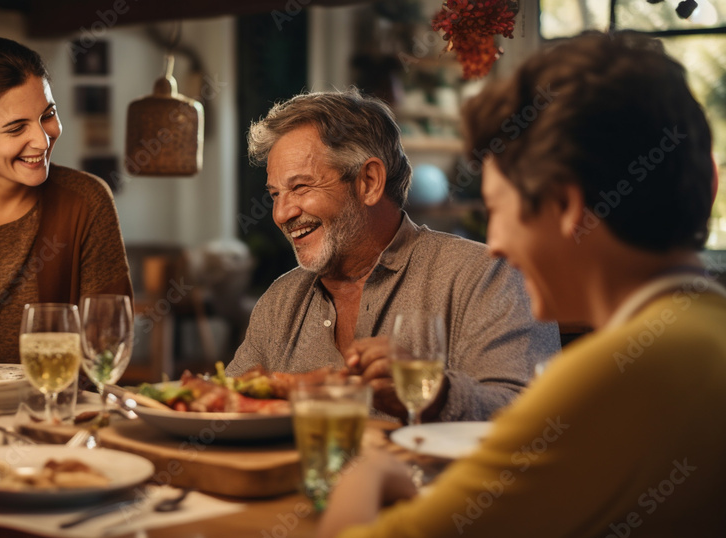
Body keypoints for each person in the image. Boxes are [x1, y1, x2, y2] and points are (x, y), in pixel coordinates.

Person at [315, 31, 726, 538]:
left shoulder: (618, 373)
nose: (496, 246)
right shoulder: (705, 329)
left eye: (497, 209)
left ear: (566, 207)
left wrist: (366, 470)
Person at [227, 88, 559, 422]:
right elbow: (225, 408)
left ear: (369, 182)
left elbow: (532, 419)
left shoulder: (485, 276)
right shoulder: (279, 301)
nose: (282, 213)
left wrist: (431, 394)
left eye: (300, 187)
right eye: (274, 194)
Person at [0, 36, 133, 368]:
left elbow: (109, 340)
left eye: (48, 115)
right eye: (17, 128)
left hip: (51, 412)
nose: (42, 140)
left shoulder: (87, 200)